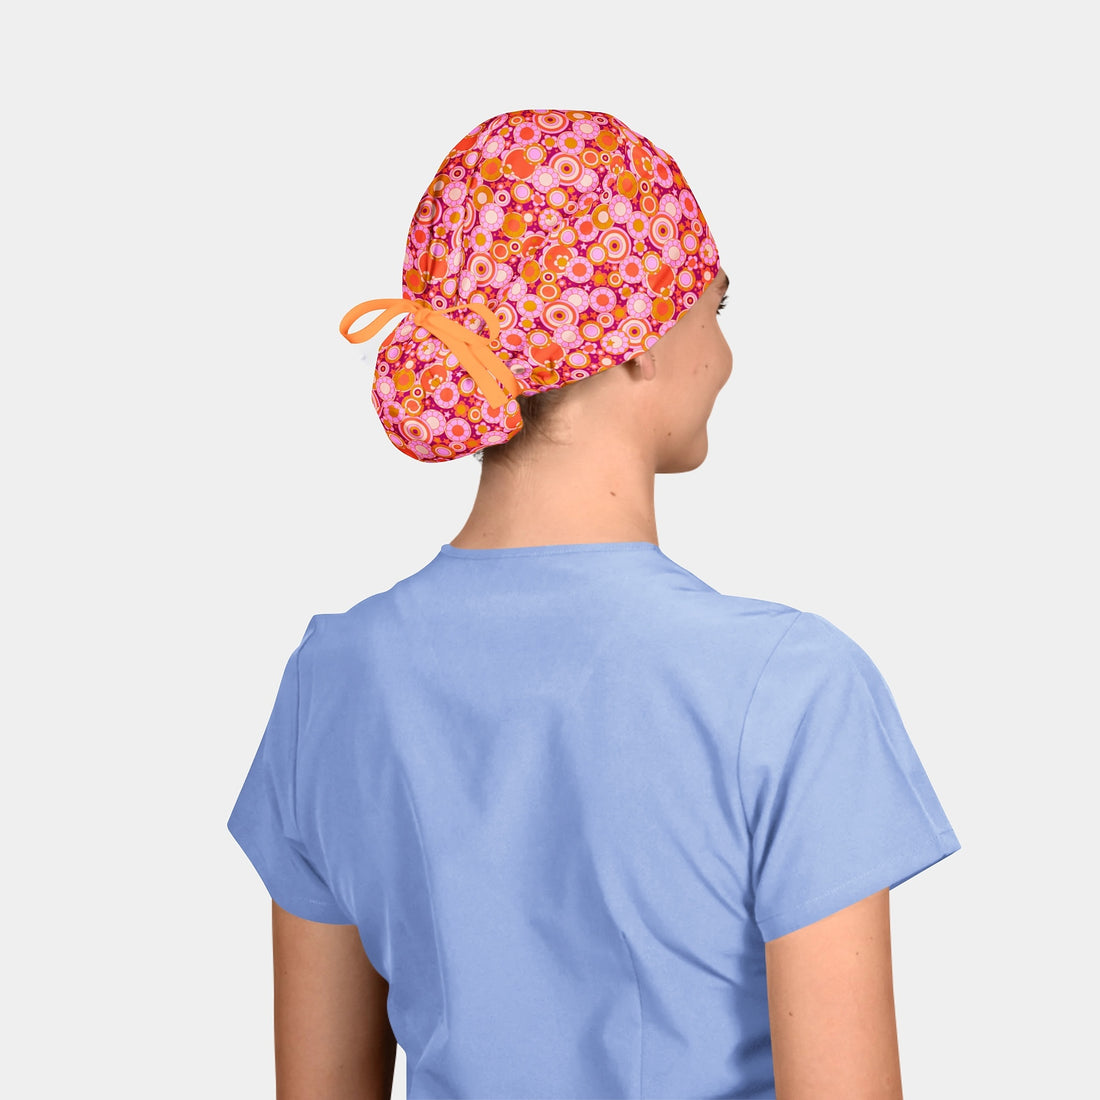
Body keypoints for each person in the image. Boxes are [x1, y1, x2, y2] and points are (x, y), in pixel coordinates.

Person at [227, 108, 962, 1100]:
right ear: (634, 343)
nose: (724, 355)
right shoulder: (789, 687)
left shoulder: (332, 679)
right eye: (716, 306)